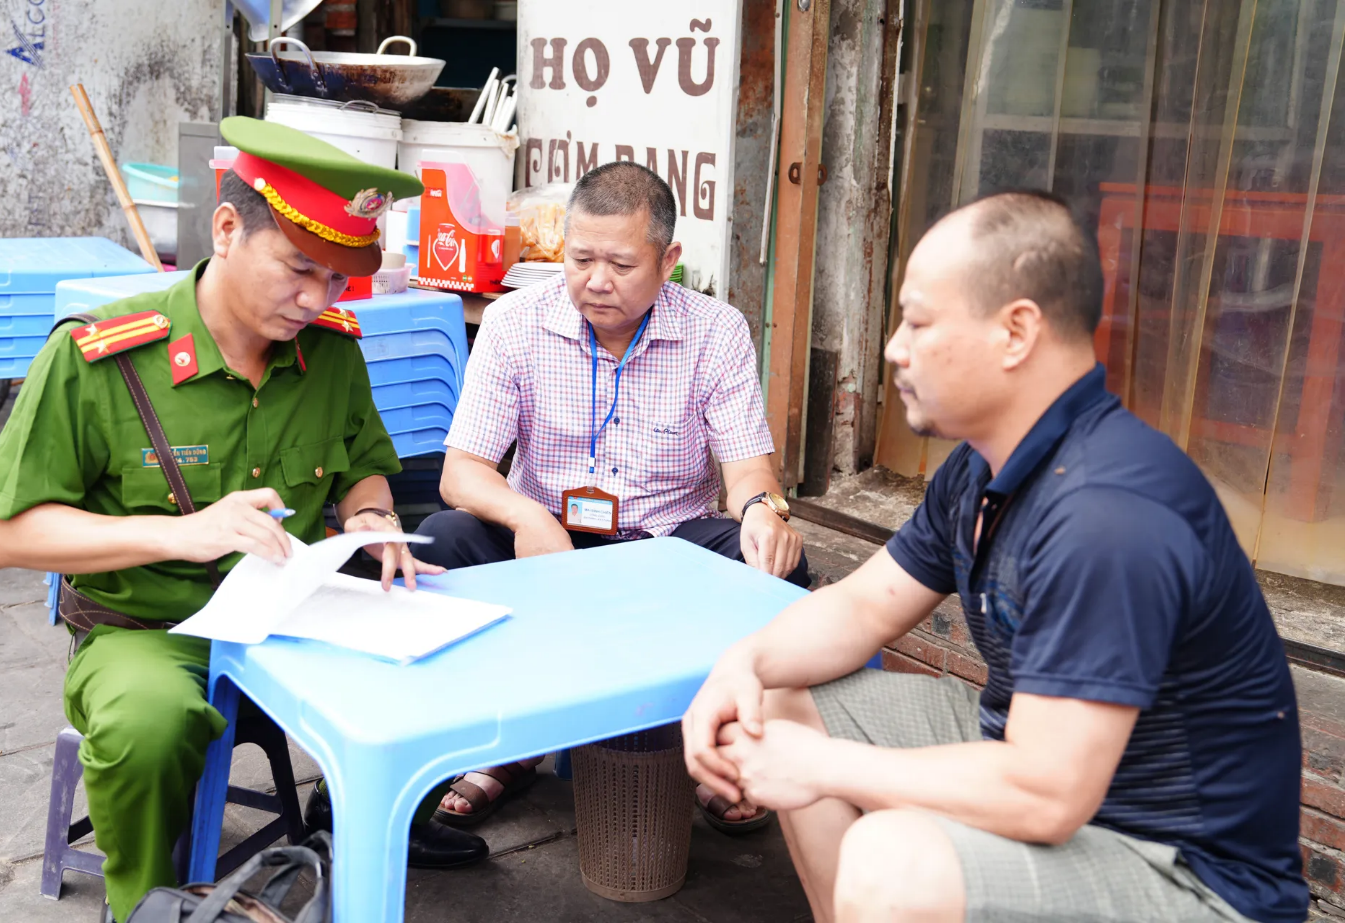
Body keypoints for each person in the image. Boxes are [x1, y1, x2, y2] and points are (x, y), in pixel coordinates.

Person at [682, 191, 1308, 923]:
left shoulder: (1106, 514)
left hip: (1187, 873)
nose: (894, 348)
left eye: (918, 322)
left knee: (892, 863)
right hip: (1044, 772)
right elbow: (862, 606)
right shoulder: (982, 465)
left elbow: (1046, 794)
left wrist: (820, 766)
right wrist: (740, 666)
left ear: (1016, 332)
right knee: (779, 702)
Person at [0, 118, 487, 922]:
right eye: (298, 268)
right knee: (149, 724)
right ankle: (143, 904)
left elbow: (360, 464)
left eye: (336, 279)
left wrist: (373, 514)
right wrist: (181, 533)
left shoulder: (330, 353)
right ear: (224, 228)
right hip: (149, 629)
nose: (317, 298)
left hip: (293, 619)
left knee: (449, 658)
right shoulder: (101, 358)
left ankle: (365, 831)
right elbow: (0, 535)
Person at [416, 161, 807, 831]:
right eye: (580, 259)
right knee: (442, 538)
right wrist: (524, 515)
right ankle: (511, 739)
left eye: (621, 264)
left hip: (666, 544)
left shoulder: (716, 331)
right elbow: (462, 472)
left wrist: (761, 512)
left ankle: (712, 746)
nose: (596, 280)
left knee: (777, 566)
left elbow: (750, 472)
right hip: (548, 543)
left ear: (668, 260)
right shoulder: (513, 322)